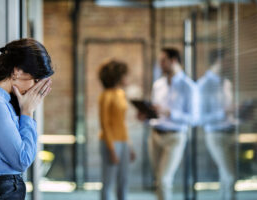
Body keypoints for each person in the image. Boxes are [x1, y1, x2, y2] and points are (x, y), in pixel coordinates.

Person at [0, 38, 54, 200]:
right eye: (35, 79)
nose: (35, 87)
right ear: (17, 71)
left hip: (2, 188)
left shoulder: (2, 102)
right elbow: (22, 160)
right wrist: (27, 112)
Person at [139, 48, 195, 200]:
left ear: (174, 61)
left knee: (164, 180)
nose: (160, 64)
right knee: (159, 179)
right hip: (155, 135)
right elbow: (156, 113)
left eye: (163, 60)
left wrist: (169, 113)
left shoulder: (188, 86)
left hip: (175, 138)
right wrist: (146, 116)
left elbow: (194, 118)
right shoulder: (158, 85)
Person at [197, 49, 236, 200]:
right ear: (218, 61)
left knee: (226, 176)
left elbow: (229, 111)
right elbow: (201, 117)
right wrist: (224, 112)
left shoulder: (227, 84)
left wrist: (237, 113)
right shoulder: (204, 85)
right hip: (215, 135)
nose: (230, 64)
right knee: (230, 175)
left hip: (229, 132)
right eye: (228, 60)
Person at [98, 60, 135, 200]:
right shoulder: (105, 96)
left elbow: (122, 123)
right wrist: (112, 149)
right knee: (108, 182)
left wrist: (129, 146)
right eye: (125, 75)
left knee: (123, 180)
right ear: (118, 77)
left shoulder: (121, 94)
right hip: (110, 142)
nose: (127, 78)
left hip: (123, 142)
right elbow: (105, 124)